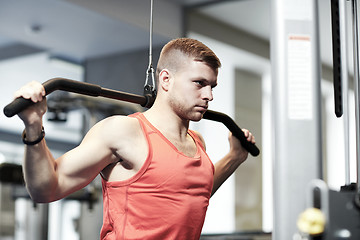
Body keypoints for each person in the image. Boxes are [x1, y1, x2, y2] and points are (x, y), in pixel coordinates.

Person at [14, 38, 255, 240]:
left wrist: (234, 158)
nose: (209, 96)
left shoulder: (197, 141)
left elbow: (191, 193)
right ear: (166, 80)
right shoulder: (124, 132)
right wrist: (34, 125)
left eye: (212, 86)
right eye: (199, 84)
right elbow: (45, 189)